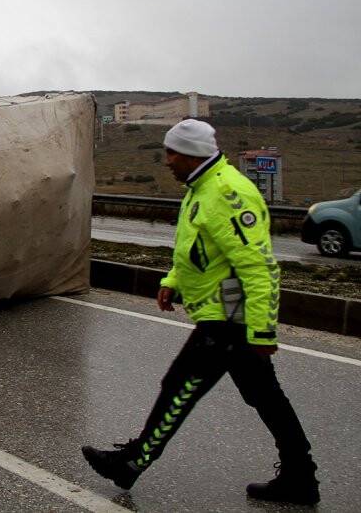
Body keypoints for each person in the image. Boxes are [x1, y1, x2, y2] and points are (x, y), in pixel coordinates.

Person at [81, 119, 319, 505]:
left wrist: (262, 332)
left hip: (229, 320)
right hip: (223, 315)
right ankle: (300, 477)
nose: (167, 160)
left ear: (192, 155)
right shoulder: (202, 188)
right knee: (266, 397)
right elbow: (198, 247)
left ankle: (134, 462)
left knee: (179, 386)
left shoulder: (226, 192)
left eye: (172, 153)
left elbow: (259, 267)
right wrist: (173, 280)